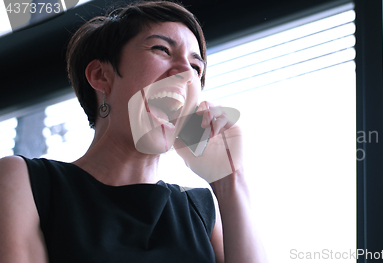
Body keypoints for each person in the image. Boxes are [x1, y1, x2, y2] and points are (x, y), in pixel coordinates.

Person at [0, 1, 266, 262]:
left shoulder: (201, 212)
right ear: (101, 75)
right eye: (162, 49)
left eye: (197, 68)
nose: (186, 72)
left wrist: (230, 179)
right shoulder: (25, 181)